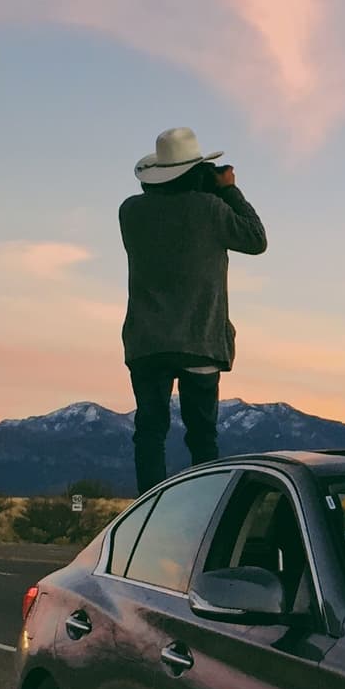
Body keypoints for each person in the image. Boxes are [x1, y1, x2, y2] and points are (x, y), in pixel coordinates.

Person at [119, 126, 267, 492]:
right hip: (198, 337)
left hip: (147, 341)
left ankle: (148, 506)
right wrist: (229, 189)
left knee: (150, 432)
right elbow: (255, 238)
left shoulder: (131, 212)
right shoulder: (211, 210)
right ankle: (206, 507)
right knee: (202, 435)